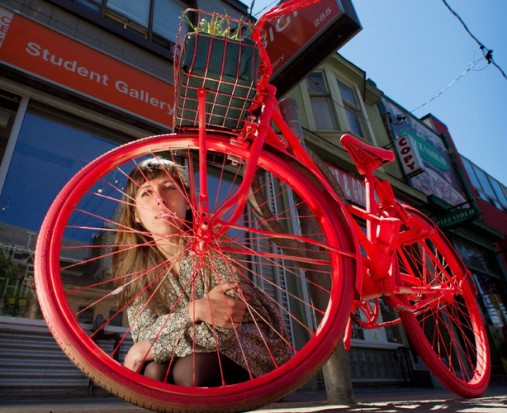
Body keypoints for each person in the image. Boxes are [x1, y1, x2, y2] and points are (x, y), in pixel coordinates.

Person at [112, 157, 291, 386]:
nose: (160, 199)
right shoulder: (138, 270)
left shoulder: (211, 239)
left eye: (169, 188)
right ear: (135, 215)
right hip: (192, 348)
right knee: (154, 372)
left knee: (190, 371)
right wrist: (194, 311)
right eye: (146, 192)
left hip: (250, 343)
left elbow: (227, 323)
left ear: (187, 202)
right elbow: (143, 333)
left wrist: (152, 346)